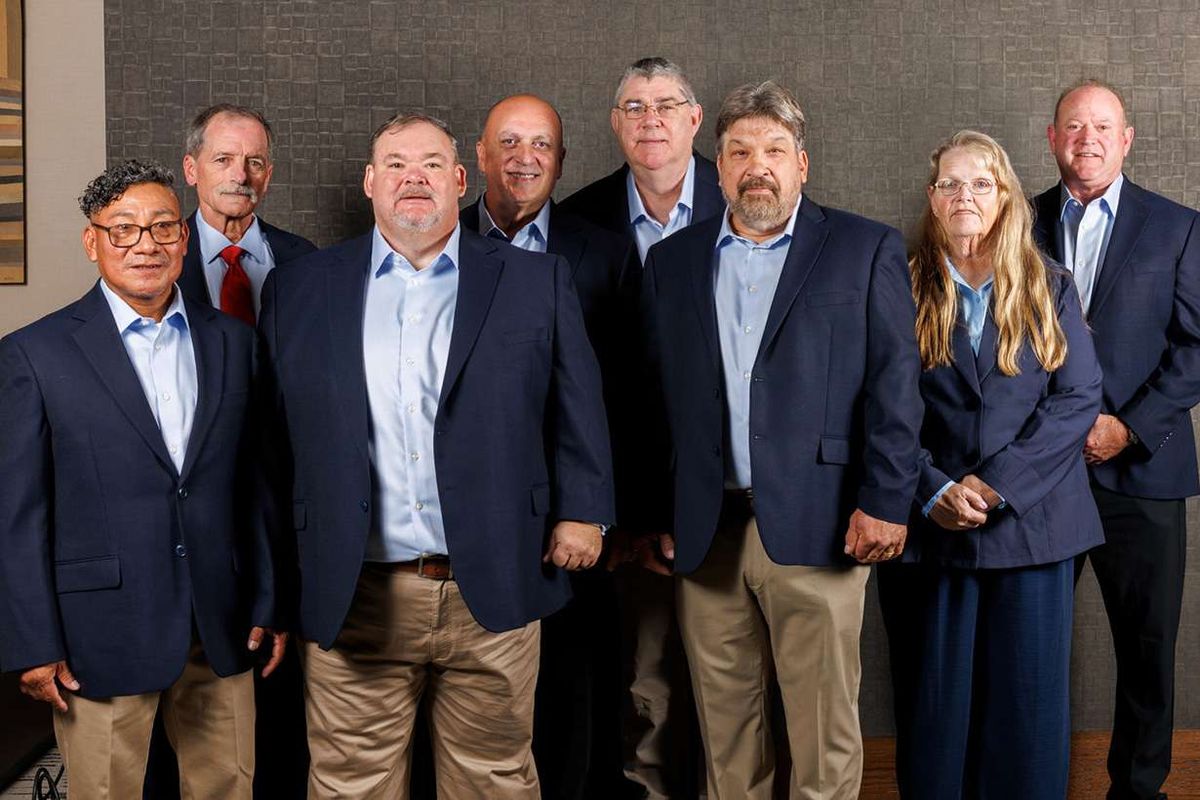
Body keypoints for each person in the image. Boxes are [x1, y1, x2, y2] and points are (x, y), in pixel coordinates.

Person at [259, 112, 614, 799]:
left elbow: (577, 405)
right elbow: (275, 445)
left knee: (496, 784)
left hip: (495, 583)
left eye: (429, 164)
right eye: (394, 164)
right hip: (355, 591)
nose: (412, 177)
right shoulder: (303, 288)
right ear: (370, 182)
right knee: (348, 788)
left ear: (458, 180)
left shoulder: (534, 280)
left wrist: (586, 512)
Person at [639, 80, 922, 800]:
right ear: (720, 166)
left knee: (823, 738)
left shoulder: (864, 249)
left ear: (803, 163)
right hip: (708, 531)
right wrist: (654, 513)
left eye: (773, 150)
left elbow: (896, 388)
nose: (755, 165)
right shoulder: (673, 264)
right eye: (738, 151)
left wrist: (886, 501)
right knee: (728, 741)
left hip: (824, 525)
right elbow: (651, 400)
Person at [0, 159, 286, 800]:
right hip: (98, 630)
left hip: (221, 622)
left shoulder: (234, 342)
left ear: (184, 240)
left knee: (230, 788)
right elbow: (17, 515)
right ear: (92, 240)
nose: (146, 244)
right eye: (123, 229)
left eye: (162, 227)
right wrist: (32, 642)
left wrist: (267, 599)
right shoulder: (33, 354)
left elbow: (255, 485)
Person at [879, 129, 1103, 799]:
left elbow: (1078, 399)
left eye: (981, 183)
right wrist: (933, 486)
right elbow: (876, 404)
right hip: (932, 529)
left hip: (1035, 528)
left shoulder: (1048, 284)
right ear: (932, 198)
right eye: (950, 183)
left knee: (1028, 714)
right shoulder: (897, 282)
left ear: (1004, 195)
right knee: (935, 711)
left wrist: (996, 483)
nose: (964, 195)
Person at [461, 92, 638, 798]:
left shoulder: (603, 252)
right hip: (471, 512)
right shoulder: (441, 246)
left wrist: (601, 511)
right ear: (479, 157)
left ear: (561, 162)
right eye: (508, 142)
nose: (524, 158)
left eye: (540, 145)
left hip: (573, 514)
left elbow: (625, 395)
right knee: (478, 707)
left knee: (572, 690)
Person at [1032, 79, 1200, 800]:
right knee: (1031, 648)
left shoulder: (1179, 227)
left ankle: (1139, 789)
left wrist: (1126, 426)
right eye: (1074, 126)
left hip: (1145, 472)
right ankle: (1030, 782)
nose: (1088, 139)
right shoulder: (1016, 219)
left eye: (1103, 127)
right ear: (1053, 138)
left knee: (1147, 648)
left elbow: (1196, 346)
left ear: (1126, 139)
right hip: (1041, 476)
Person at [561, 55, 722, 798]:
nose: (650, 119)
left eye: (666, 105)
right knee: (646, 694)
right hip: (629, 516)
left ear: (695, 119)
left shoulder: (755, 199)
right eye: (633, 107)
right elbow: (583, 387)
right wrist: (624, 514)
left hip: (738, 505)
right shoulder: (579, 224)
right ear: (614, 125)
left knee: (740, 700)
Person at [179, 103, 316, 322]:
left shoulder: (305, 258)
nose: (241, 176)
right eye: (223, 160)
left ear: (267, 176)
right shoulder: (163, 258)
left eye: (254, 163)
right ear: (191, 170)